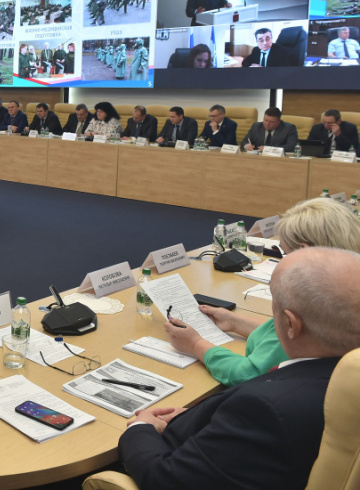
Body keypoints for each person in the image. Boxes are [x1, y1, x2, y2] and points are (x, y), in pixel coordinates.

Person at [121, 247, 360, 489]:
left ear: (290, 324)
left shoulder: (263, 410)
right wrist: (199, 418)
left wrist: (142, 429)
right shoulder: (341, 379)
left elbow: (166, 480)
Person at [163, 197, 360, 386]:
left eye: (285, 253)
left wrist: (196, 344)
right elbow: (280, 334)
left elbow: (247, 374)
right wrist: (235, 322)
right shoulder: (347, 290)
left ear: (305, 252)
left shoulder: (310, 300)